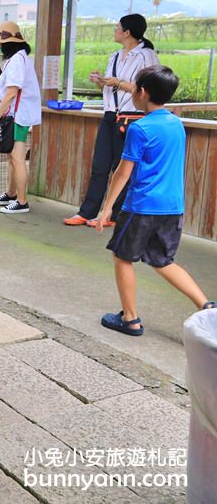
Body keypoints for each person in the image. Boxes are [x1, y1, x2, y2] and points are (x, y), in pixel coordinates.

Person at [95, 65, 215, 336]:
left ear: (143, 92)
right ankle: (206, 306)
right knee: (163, 260)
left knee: (122, 257)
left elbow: (122, 172)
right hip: (173, 206)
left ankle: (130, 319)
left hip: (142, 206)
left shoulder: (140, 128)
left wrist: (106, 208)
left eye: (135, 87)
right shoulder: (176, 124)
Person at [65, 14, 161, 228]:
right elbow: (112, 89)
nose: (114, 31)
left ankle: (114, 216)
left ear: (127, 32)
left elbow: (149, 89)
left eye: (117, 28)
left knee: (122, 168)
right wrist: (102, 82)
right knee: (99, 166)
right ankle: (87, 212)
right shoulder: (115, 56)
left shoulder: (146, 56)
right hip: (110, 115)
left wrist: (119, 82)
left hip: (131, 117)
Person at [0, 21, 42, 215]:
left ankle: (22, 200)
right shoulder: (18, 59)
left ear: (7, 43)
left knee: (17, 158)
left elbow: (11, 92)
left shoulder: (18, 60)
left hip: (18, 116)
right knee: (12, 156)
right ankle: (11, 193)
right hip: (16, 114)